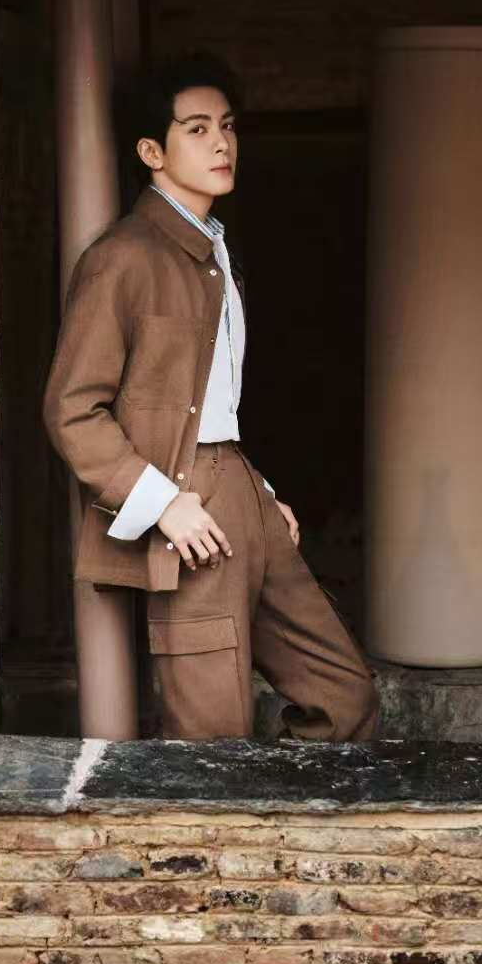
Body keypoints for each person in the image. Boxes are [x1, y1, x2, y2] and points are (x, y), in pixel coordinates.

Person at [43, 52, 380, 744]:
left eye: (226, 126)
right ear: (151, 151)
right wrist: (163, 503)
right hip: (183, 506)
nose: (221, 143)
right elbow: (72, 410)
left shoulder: (216, 251)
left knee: (345, 697)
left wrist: (260, 495)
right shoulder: (123, 259)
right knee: (212, 742)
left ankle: (278, 814)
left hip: (239, 486)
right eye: (196, 129)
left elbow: (208, 401)